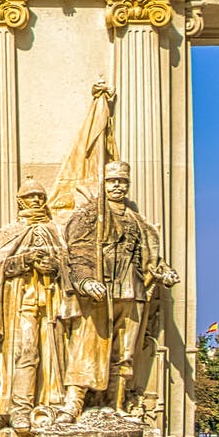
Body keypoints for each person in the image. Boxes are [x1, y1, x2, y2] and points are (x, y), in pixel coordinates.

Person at [59, 161, 179, 420]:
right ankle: (73, 402)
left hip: (131, 288)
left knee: (125, 352)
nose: (117, 186)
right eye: (112, 181)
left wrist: (163, 271)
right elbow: (76, 250)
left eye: (122, 181)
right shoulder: (90, 214)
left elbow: (150, 256)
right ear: (102, 184)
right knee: (86, 345)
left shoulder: (136, 219)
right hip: (99, 291)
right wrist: (85, 280)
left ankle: (116, 403)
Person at [0, 180, 68, 432]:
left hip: (52, 303)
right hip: (21, 302)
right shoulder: (9, 231)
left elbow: (68, 264)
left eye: (40, 195)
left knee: (52, 353)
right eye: (31, 196)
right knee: (27, 352)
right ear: (20, 200)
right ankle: (20, 408)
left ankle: (52, 404)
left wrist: (55, 266)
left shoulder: (54, 231)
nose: (36, 200)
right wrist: (25, 260)